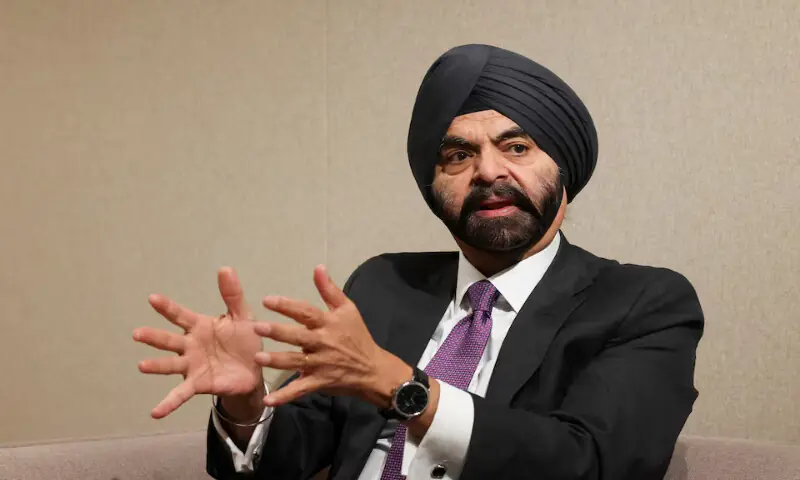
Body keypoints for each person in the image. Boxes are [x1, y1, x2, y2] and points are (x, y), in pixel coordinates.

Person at [134, 44, 704, 480]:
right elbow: (287, 460)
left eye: (516, 147)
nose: (487, 172)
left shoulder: (642, 302)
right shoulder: (386, 284)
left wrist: (402, 387)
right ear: (434, 186)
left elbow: (595, 464)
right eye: (457, 155)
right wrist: (244, 401)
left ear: (563, 171)